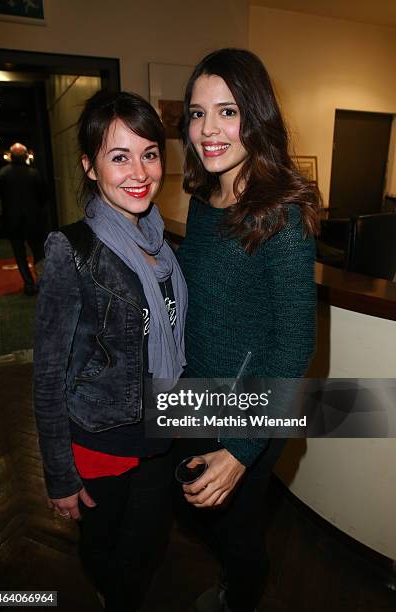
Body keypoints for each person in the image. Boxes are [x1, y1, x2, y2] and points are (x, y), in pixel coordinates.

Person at [174, 48, 321, 612]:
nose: (208, 130)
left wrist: (240, 449)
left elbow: (293, 344)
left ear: (255, 118)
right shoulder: (203, 199)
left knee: (238, 534)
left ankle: (241, 596)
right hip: (198, 392)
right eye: (196, 113)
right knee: (190, 504)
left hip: (250, 407)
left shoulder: (279, 214)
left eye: (227, 111)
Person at [33, 90, 187, 612]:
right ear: (90, 166)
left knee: (144, 550)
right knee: (106, 554)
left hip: (159, 433)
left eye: (149, 153)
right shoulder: (71, 249)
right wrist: (59, 475)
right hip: (102, 441)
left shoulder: (162, 244)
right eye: (118, 156)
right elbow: (48, 376)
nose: (139, 171)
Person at [0, 142, 47, 295]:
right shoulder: (34, 173)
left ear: (11, 156)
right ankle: (42, 282)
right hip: (33, 219)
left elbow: (2, 196)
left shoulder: (3, 173)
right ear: (25, 156)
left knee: (20, 254)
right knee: (38, 252)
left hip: (13, 220)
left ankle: (28, 284)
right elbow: (43, 196)